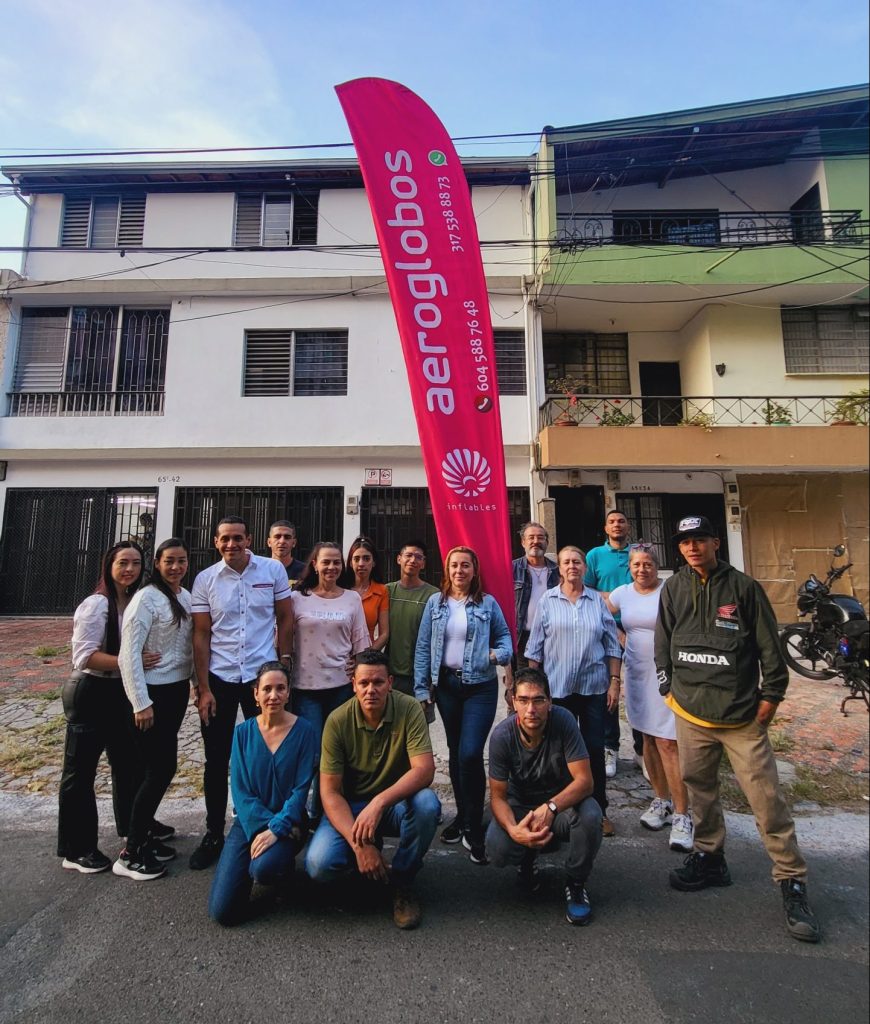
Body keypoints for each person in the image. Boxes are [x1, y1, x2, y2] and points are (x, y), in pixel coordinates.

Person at [655, 515, 820, 943]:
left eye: (699, 540)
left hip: (741, 717)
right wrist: (668, 688)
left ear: (715, 542)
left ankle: (792, 881)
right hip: (691, 713)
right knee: (700, 791)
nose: (692, 547)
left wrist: (771, 698)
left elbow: (770, 647)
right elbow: (663, 640)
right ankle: (711, 858)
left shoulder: (744, 588)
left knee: (766, 800)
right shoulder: (673, 587)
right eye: (685, 542)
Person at [305, 650, 441, 930]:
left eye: (378, 682)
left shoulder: (409, 709)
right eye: (364, 683)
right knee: (318, 865)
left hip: (394, 804)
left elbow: (424, 770)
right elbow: (329, 792)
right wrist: (360, 846)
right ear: (353, 684)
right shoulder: (337, 720)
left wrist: (379, 803)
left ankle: (402, 882)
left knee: (428, 805)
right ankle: (367, 863)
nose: (371, 690)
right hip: (351, 805)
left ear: (390, 682)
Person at [189, 516, 293, 870]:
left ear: (250, 539)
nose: (231, 544)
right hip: (219, 676)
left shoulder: (273, 571)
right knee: (216, 758)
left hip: (259, 677)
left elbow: (286, 617)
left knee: (266, 754)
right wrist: (202, 688)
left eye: (238, 538)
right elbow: (201, 635)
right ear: (216, 542)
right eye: (225, 539)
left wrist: (283, 663)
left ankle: (267, 825)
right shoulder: (205, 580)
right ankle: (214, 832)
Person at [58, 541, 156, 874]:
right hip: (89, 692)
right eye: (123, 563)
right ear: (109, 565)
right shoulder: (96, 604)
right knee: (80, 772)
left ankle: (135, 832)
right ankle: (77, 847)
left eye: (136, 563)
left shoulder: (132, 600)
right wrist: (131, 662)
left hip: (118, 692)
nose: (130, 569)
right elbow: (84, 656)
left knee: (128, 764)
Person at [414, 545, 513, 863]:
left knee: (471, 753)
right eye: (454, 565)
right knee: (457, 754)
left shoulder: (487, 603)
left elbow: (506, 641)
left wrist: (493, 656)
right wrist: (422, 689)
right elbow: (423, 647)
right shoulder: (435, 603)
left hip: (480, 688)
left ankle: (473, 827)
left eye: (466, 565)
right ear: (447, 570)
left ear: (474, 570)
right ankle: (462, 816)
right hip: (446, 687)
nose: (459, 571)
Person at [487, 668, 603, 925]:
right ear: (513, 701)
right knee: (496, 847)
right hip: (522, 809)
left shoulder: (564, 721)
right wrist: (513, 829)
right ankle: (526, 859)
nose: (531, 709)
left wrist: (551, 807)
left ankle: (575, 882)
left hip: (560, 806)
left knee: (591, 815)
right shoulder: (502, 736)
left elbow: (585, 782)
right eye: (524, 700)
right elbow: (497, 797)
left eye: (539, 700)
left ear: (550, 702)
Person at [209, 662, 318, 925]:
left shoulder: (305, 731)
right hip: (249, 822)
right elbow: (241, 791)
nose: (274, 695)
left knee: (263, 868)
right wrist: (266, 828)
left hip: (289, 821)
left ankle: (283, 869)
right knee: (222, 913)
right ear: (255, 694)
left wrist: (279, 827)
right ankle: (262, 860)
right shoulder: (242, 733)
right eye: (267, 689)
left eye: (280, 688)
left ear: (289, 693)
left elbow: (301, 789)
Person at [525, 546, 622, 837]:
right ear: (561, 568)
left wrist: (615, 680)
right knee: (557, 752)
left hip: (593, 688)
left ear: (584, 567)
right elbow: (535, 649)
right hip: (558, 689)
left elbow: (612, 645)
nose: (572, 566)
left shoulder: (597, 601)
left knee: (592, 750)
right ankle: (559, 808)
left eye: (577, 562)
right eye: (566, 562)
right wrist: (535, 690)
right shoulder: (548, 600)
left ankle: (599, 810)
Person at [116, 538, 195, 880]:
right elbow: (128, 654)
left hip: (175, 691)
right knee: (158, 769)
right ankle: (131, 852)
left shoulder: (184, 596)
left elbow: (187, 648)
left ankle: (144, 835)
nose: (176, 567)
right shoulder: (146, 599)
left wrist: (195, 684)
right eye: (169, 561)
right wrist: (140, 702)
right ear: (158, 564)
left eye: (181, 561)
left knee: (158, 767)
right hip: (152, 697)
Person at [607, 544, 692, 852]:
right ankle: (662, 800)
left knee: (669, 742)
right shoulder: (622, 593)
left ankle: (683, 814)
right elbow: (601, 611)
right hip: (637, 675)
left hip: (667, 674)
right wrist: (618, 637)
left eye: (648, 564)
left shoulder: (670, 590)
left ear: (658, 566)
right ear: (629, 567)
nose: (642, 569)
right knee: (646, 740)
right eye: (636, 564)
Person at [290, 541, 371, 819]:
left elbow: (361, 642)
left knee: (337, 753)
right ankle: (302, 814)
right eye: (326, 562)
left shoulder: (351, 599)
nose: (332, 567)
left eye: (337, 562)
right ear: (314, 564)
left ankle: (326, 813)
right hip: (305, 688)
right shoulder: (297, 597)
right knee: (311, 755)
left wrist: (360, 671)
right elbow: (283, 637)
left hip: (341, 686)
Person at [584, 509, 634, 780]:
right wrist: (615, 624)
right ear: (605, 528)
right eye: (612, 522)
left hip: (639, 628)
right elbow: (589, 591)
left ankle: (643, 748)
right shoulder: (594, 556)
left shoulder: (637, 553)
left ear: (628, 526)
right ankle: (609, 746)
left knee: (640, 688)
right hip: (607, 629)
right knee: (609, 688)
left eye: (621, 521)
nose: (617, 525)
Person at [385, 540, 439, 697]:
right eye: (408, 555)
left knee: (419, 720)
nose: (413, 560)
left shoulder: (433, 595)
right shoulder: (387, 591)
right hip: (390, 673)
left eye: (418, 557)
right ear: (399, 559)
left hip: (421, 675)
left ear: (423, 564)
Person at [512, 522, 559, 669]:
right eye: (531, 537)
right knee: (524, 685)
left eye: (540, 537)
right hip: (523, 637)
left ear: (547, 542)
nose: (535, 541)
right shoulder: (511, 569)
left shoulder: (558, 571)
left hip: (552, 636)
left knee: (551, 684)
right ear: (523, 542)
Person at [340, 536, 390, 650]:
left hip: (366, 657)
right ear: (351, 563)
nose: (361, 563)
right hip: (338, 656)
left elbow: (384, 634)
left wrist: (365, 656)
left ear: (374, 562)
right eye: (356, 559)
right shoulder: (340, 589)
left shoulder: (381, 591)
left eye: (366, 558)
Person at [267, 520, 307, 584]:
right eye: (277, 537)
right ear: (269, 542)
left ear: (294, 543)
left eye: (287, 537)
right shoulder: (259, 570)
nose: (282, 541)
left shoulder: (305, 571)